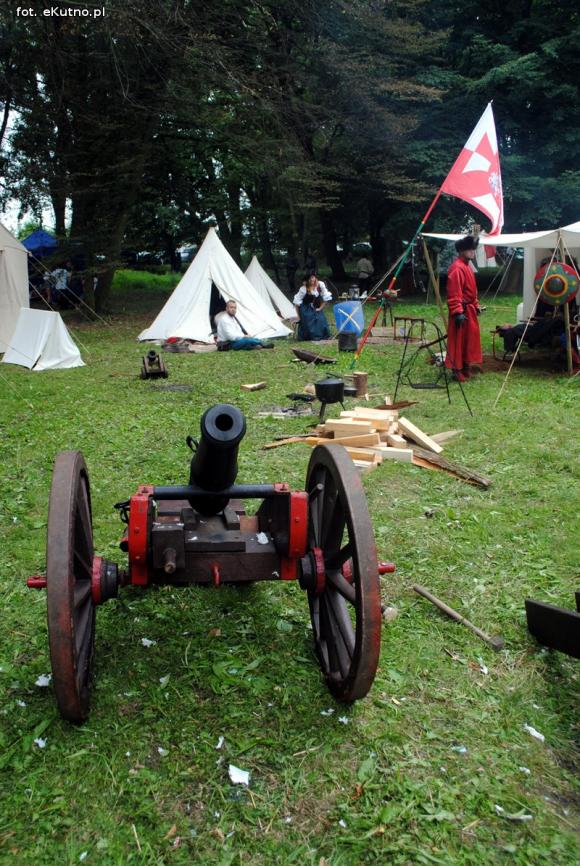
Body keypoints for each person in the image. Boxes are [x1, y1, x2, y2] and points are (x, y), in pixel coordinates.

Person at [445, 236, 483, 381]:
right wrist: (457, 311)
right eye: (469, 249)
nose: (473, 252)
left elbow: (471, 291)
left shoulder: (467, 266)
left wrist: (476, 305)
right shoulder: (457, 268)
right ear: (461, 251)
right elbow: (454, 292)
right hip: (461, 311)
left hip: (469, 310)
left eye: (473, 249)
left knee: (469, 341)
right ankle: (457, 370)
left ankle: (466, 366)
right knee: (458, 343)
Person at [293, 273, 332, 340]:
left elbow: (326, 298)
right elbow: (296, 303)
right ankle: (312, 336)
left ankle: (324, 335)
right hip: (305, 308)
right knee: (310, 319)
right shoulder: (303, 289)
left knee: (320, 319)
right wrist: (299, 317)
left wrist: (320, 308)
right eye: (309, 278)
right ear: (307, 280)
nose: (312, 279)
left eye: (313, 277)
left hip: (316, 306)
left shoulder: (320, 285)